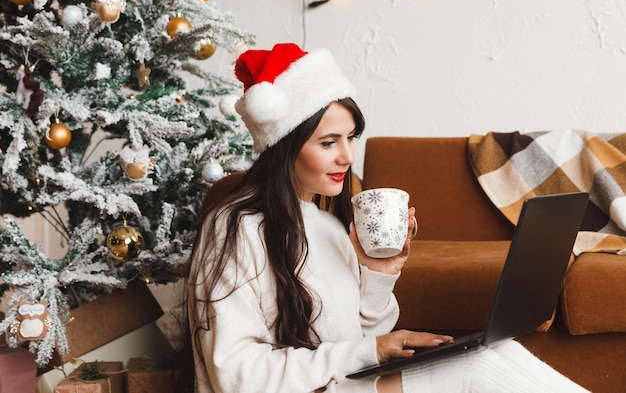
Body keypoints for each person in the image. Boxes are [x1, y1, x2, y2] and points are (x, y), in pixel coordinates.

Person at [183, 43, 590, 393]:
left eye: (350, 138)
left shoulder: (328, 225)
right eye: (329, 142)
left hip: (345, 385)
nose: (347, 156)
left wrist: (377, 275)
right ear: (283, 147)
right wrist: (371, 350)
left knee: (497, 350)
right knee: (479, 369)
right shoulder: (235, 228)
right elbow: (233, 375)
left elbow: (357, 346)